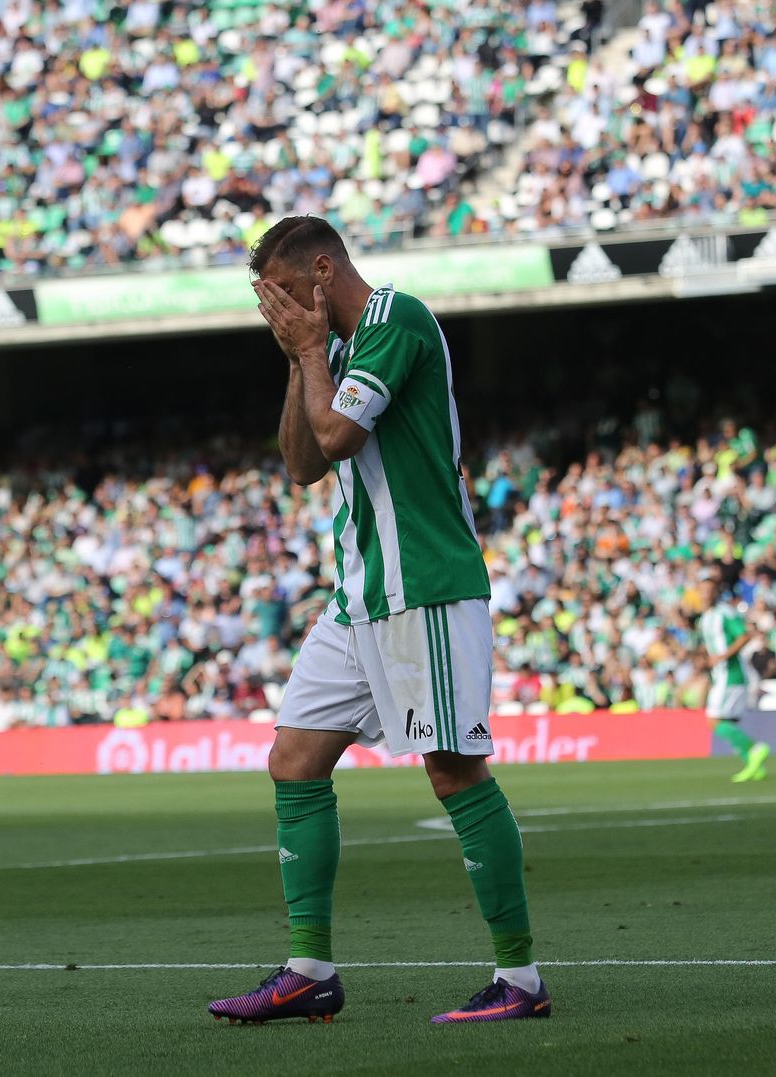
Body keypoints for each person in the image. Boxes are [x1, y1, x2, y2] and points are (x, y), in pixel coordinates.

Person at [209, 216, 548, 1027]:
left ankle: (520, 977)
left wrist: (308, 354)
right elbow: (302, 463)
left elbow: (337, 434)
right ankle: (309, 972)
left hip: (423, 585)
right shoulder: (332, 349)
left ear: (323, 271)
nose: (279, 310)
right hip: (358, 593)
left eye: (285, 292)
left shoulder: (397, 320)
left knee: (454, 771)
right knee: (293, 759)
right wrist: (302, 357)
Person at [698, 571, 772, 782]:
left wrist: (723, 656)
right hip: (720, 675)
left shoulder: (724, 613)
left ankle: (754, 749)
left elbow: (744, 636)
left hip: (732, 674)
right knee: (726, 722)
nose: (705, 595)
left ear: (716, 593)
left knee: (713, 721)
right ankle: (754, 766)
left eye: (709, 591)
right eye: (702, 591)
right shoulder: (705, 618)